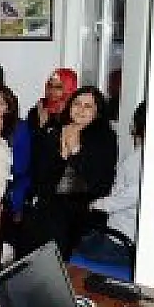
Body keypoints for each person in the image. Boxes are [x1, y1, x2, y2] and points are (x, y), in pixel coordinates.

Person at [21, 86, 118, 261]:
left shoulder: (104, 138)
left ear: (97, 112)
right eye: (77, 103)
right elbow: (40, 173)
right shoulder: (57, 130)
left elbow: (96, 182)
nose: (81, 109)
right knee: (33, 224)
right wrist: (61, 153)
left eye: (88, 106)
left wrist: (74, 150)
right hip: (49, 205)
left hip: (82, 210)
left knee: (54, 227)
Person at [76, 101, 145, 265]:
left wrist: (98, 204)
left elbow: (134, 194)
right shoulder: (139, 155)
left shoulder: (141, 159)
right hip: (119, 232)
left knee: (71, 248)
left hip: (121, 241)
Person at [0, 85, 31, 218]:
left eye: (1, 103)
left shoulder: (20, 128)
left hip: (9, 186)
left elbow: (19, 168)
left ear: (8, 107)